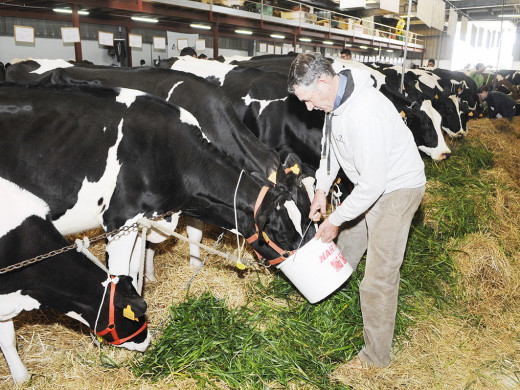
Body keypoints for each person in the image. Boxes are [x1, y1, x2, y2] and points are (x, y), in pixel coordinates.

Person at [287, 52, 426, 369]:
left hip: (396, 189)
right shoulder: (335, 101)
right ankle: (334, 300)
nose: (309, 108)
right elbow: (331, 148)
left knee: (377, 279)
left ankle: (374, 360)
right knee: (347, 247)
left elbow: (373, 185)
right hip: (370, 184)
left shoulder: (365, 112)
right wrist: (322, 188)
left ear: (323, 82)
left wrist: (335, 218)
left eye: (309, 100)